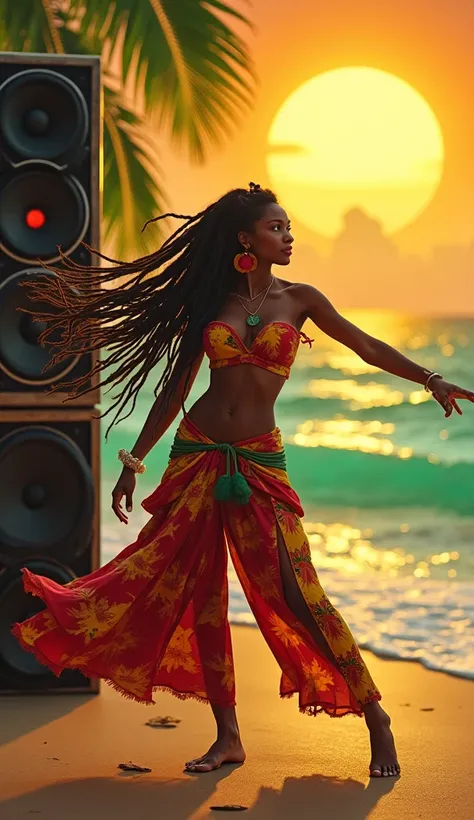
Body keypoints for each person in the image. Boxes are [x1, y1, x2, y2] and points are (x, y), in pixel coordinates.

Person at [11, 183, 474, 780]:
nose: (288, 235)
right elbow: (178, 388)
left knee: (296, 589)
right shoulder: (211, 300)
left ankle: (375, 715)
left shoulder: (301, 299)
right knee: (196, 591)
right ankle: (228, 737)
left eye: (288, 227)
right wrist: (134, 463)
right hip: (198, 453)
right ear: (245, 238)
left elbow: (366, 347)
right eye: (277, 227)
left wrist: (431, 377)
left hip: (258, 461)